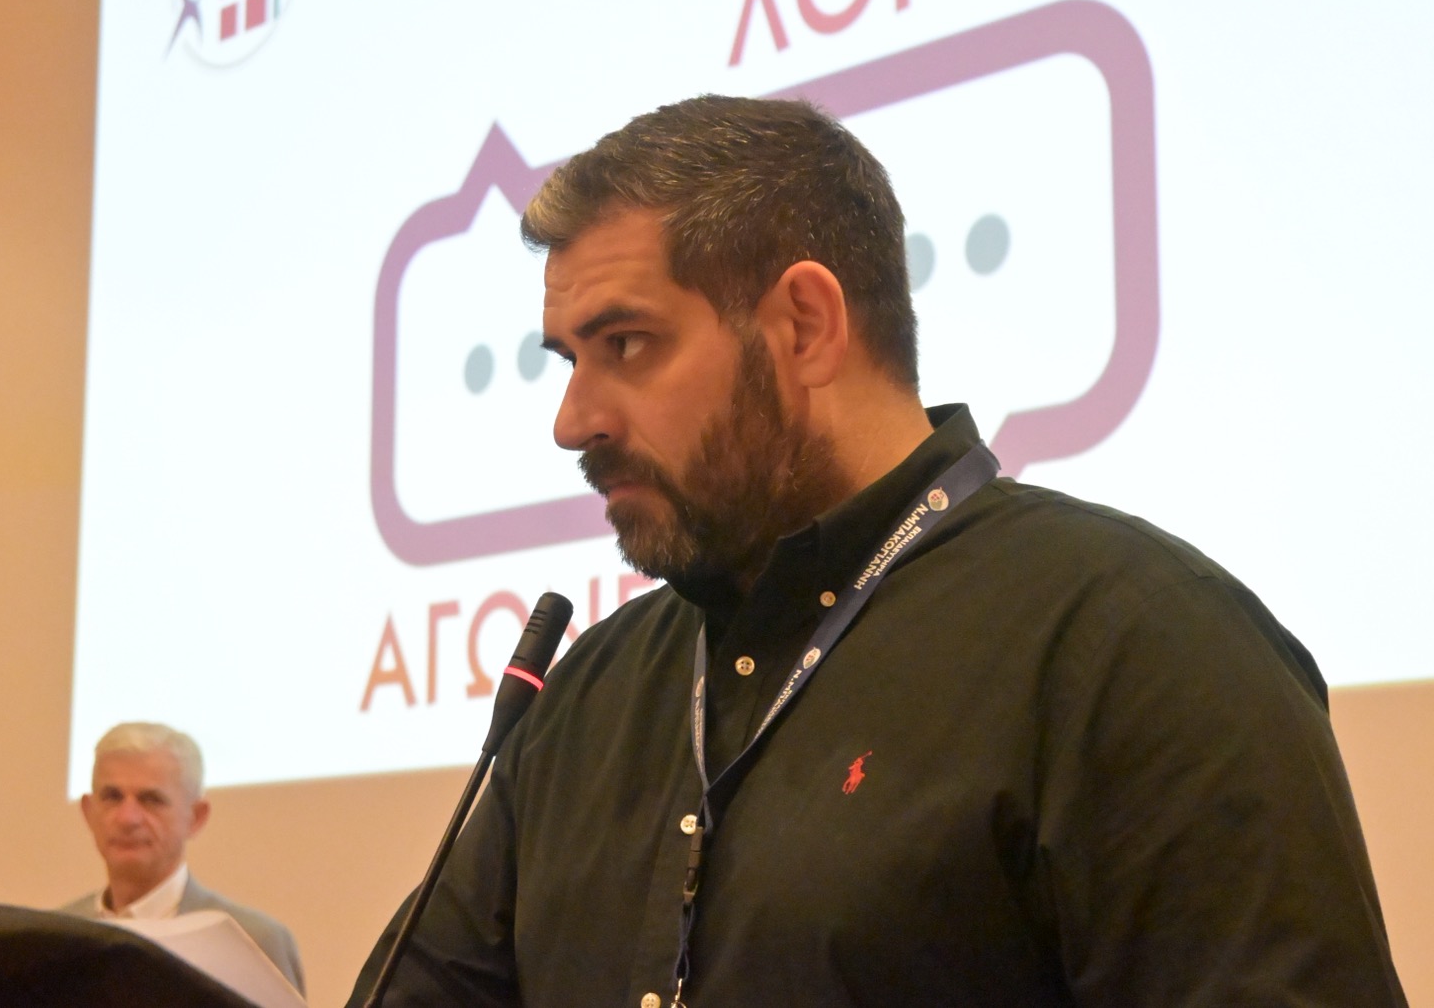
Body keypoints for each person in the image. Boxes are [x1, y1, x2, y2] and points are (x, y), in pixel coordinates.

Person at [349, 95, 1404, 1006]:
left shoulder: (1139, 644)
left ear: (805, 324)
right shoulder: (586, 696)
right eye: (568, 361)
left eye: (626, 345)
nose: (572, 420)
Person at [60, 721, 305, 994]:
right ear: (88, 812)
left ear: (196, 817)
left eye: (151, 799)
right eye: (112, 797)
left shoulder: (253, 942)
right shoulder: (54, 937)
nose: (128, 818)